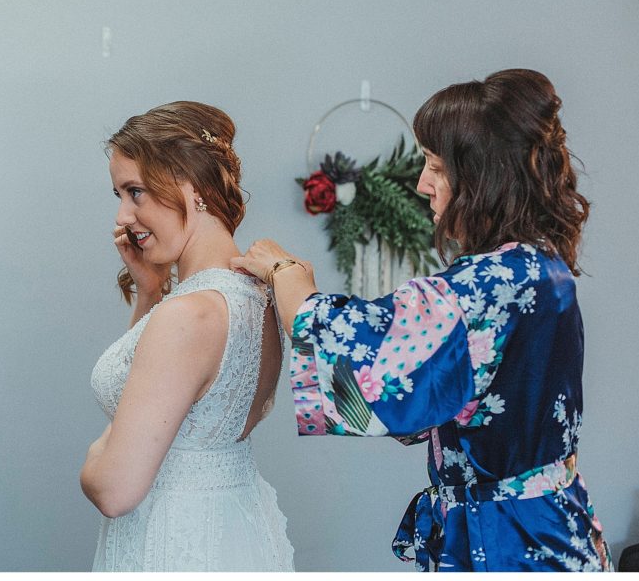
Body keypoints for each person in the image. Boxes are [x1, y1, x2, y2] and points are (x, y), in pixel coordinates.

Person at [231, 69, 612, 572]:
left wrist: (286, 273)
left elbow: (370, 360)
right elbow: (423, 393)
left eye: (434, 166)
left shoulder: (490, 283)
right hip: (545, 523)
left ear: (480, 175)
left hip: (510, 541)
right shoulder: (539, 266)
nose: (421, 183)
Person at [81, 101, 295, 571]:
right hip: (229, 528)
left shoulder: (190, 315)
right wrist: (150, 289)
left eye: (134, 192)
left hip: (173, 540)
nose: (122, 215)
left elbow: (116, 489)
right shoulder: (256, 294)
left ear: (189, 185)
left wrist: (91, 464)